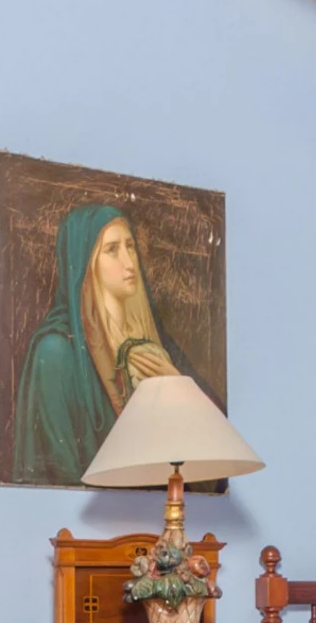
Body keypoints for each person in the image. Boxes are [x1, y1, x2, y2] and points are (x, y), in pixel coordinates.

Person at [11, 203, 186, 485]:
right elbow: (61, 474)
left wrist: (178, 387)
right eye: (112, 250)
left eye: (130, 247)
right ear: (86, 261)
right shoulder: (56, 352)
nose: (129, 263)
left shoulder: (158, 347)